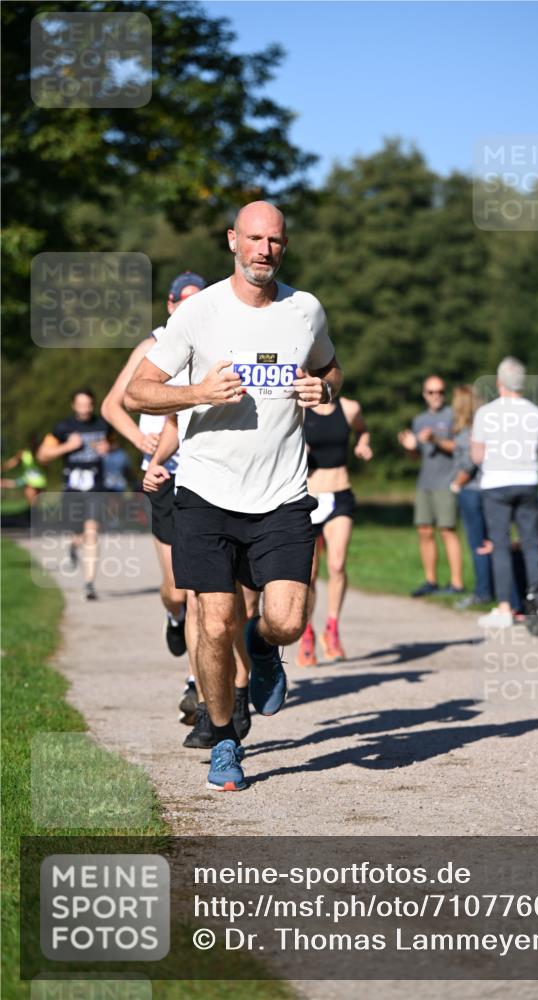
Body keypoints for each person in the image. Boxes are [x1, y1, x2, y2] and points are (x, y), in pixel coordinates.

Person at [124, 200, 343, 792]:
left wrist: (321, 387)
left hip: (281, 494)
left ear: (284, 246)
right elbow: (138, 393)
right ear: (232, 241)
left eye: (273, 240)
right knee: (214, 622)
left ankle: (264, 646)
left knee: (287, 621)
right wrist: (198, 390)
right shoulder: (199, 313)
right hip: (207, 493)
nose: (263, 250)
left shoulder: (305, 310)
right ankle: (224, 739)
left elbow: (332, 368)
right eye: (253, 238)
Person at [101, 271, 207, 671]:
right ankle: (173, 616)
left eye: (198, 302)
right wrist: (138, 440)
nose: (189, 309)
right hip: (159, 474)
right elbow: (113, 405)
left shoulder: (209, 343)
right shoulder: (153, 344)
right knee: (179, 592)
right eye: (184, 301)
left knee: (202, 588)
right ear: (170, 304)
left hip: (199, 472)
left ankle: (197, 685)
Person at [142, 413, 256, 745]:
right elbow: (172, 419)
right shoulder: (172, 363)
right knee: (198, 600)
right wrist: (154, 459)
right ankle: (206, 707)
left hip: (247, 488)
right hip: (191, 492)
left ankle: (242, 680)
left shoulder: (252, 365)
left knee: (241, 609)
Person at [295, 396, 373, 667]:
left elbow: (363, 430)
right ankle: (307, 634)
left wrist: (363, 444)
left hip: (340, 494)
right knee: (310, 573)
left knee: (337, 565)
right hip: (308, 496)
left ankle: (332, 629)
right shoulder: (298, 409)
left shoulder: (350, 408)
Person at [471, 357, 538, 629]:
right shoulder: (536, 414)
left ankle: (504, 607)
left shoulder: (486, 413)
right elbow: (537, 452)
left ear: (499, 382)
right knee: (530, 544)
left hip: (496, 483)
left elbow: (477, 455)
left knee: (500, 546)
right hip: (527, 480)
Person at [36, 389, 110, 601]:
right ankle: (72, 546)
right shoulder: (63, 428)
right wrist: (68, 446)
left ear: (93, 404)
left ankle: (89, 583)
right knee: (79, 533)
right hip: (73, 488)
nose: (85, 408)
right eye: (81, 404)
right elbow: (43, 455)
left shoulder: (102, 424)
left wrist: (108, 447)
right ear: (73, 405)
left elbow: (112, 444)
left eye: (88, 404)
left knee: (92, 530)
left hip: (96, 485)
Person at [397, 376, 464, 597]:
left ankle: (456, 583)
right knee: (424, 530)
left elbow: (459, 447)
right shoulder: (419, 420)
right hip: (425, 482)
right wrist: (409, 447)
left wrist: (435, 440)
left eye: (440, 392)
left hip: (447, 482)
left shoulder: (453, 417)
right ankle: (431, 580)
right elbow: (416, 457)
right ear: (424, 394)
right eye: (431, 392)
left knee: (447, 531)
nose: (436, 396)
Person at [449, 385, 493, 609]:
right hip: (486, 490)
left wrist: (457, 484)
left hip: (472, 490)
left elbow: (470, 461)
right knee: (489, 541)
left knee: (477, 543)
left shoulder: (468, 431)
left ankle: (483, 591)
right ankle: (490, 588)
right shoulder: (484, 425)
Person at [1, 437, 47, 505]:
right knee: (33, 503)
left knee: (40, 504)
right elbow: (12, 463)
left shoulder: (41, 453)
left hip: (41, 482)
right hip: (29, 482)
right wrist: (3, 468)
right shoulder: (23, 453)